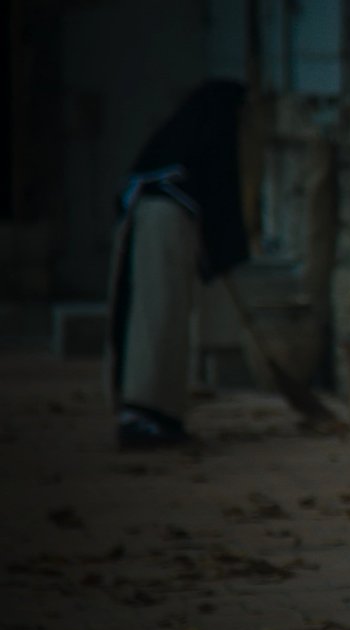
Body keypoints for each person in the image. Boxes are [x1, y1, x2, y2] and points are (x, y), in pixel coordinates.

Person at [106, 80, 255, 449]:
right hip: (162, 229)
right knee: (157, 321)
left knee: (161, 320)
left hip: (151, 225)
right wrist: (223, 254)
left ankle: (158, 413)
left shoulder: (177, 144)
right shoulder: (210, 139)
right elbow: (220, 199)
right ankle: (145, 414)